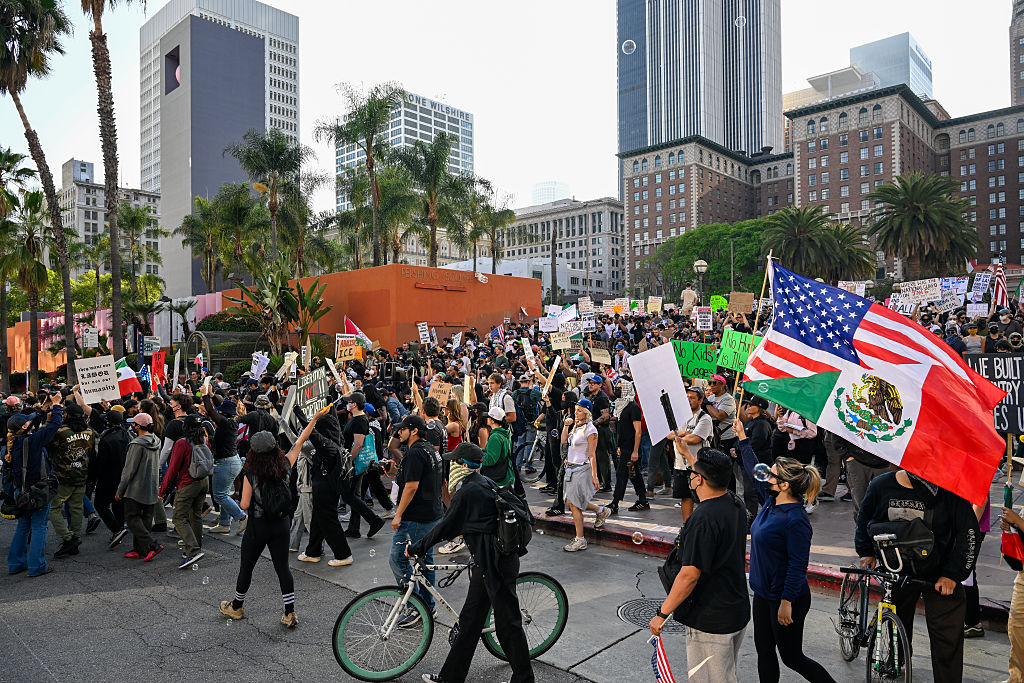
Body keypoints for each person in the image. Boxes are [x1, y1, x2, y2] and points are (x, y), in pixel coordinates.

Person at [411, 442, 534, 683]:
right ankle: (451, 677)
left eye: (454, 461)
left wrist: (417, 547)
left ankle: (524, 679)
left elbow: (445, 527)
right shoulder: (478, 483)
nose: (450, 465)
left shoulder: (468, 491)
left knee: (508, 624)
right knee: (470, 622)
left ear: (463, 465)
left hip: (496, 565)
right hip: (486, 564)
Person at [855, 469, 980, 683]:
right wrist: (866, 551)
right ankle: (897, 659)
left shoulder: (950, 491)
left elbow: (969, 534)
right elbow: (864, 519)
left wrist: (952, 575)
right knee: (897, 621)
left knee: (946, 637)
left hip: (940, 573)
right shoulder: (880, 486)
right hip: (897, 569)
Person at [740, 426, 836, 683]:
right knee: (764, 652)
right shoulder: (772, 502)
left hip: (785, 597)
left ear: (784, 485)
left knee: (792, 657)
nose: (766, 477)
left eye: (772, 476)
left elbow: (797, 565)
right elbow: (753, 472)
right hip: (763, 592)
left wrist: (786, 602)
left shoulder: (796, 520)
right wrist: (742, 440)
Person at [649, 448, 750, 683]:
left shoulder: (703, 519)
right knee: (725, 675)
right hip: (735, 609)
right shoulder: (735, 503)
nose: (689, 476)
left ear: (699, 479)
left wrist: (662, 613)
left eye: (692, 472)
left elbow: (689, 576)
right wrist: (688, 452)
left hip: (711, 618)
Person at [220, 408, 326, 628]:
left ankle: (237, 607)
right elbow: (300, 440)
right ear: (275, 448)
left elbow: (245, 505)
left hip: (258, 526)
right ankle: (290, 613)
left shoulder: (251, 473)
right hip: (281, 524)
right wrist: (315, 418)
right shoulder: (286, 464)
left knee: (246, 567)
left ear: (253, 452)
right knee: (282, 568)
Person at [390, 414, 444, 624]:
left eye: (402, 429)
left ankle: (415, 607)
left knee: (397, 558)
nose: (399, 432)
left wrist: (398, 514)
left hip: (416, 517)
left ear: (413, 430)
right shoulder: (430, 449)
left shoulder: (415, 453)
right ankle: (428, 607)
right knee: (425, 561)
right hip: (430, 514)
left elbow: (412, 487)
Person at [6, 400, 64, 577]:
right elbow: (54, 426)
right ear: (25, 427)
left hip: (20, 491)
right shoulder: (33, 442)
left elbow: (37, 424)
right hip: (36, 492)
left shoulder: (15, 443)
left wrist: (44, 409)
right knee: (39, 527)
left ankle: (16, 564)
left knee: (23, 527)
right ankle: (37, 565)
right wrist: (56, 406)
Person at [159, 414, 210, 569]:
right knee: (195, 516)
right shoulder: (202, 440)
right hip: (203, 481)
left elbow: (172, 469)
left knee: (179, 517)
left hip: (187, 483)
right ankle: (195, 548)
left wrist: (162, 490)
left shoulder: (182, 443)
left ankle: (193, 551)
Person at [561, 399, 610, 552]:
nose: (576, 413)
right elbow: (563, 441)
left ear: (587, 412)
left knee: (575, 504)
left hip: (581, 468)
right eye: (576, 410)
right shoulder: (576, 427)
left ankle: (580, 539)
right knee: (570, 501)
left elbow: (592, 455)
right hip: (570, 468)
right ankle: (600, 510)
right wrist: (566, 426)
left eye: (580, 410)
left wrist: (595, 477)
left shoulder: (591, 429)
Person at [48, 402, 96, 558]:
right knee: (76, 508)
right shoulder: (89, 432)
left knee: (53, 508)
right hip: (82, 475)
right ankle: (75, 538)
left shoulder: (61, 431)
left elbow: (51, 449)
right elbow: (92, 454)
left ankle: (68, 538)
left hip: (63, 476)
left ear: (67, 415)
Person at [115, 412, 164, 562]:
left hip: (135, 488)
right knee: (145, 520)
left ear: (137, 426)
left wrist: (120, 490)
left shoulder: (136, 444)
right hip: (151, 485)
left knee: (132, 518)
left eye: (134, 424)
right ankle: (140, 549)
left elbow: (129, 470)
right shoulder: (156, 440)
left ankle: (151, 545)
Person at [200, 384, 247, 536]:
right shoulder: (231, 421)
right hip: (233, 461)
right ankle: (224, 524)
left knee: (220, 495)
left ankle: (241, 516)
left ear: (223, 414)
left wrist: (205, 396)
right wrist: (212, 395)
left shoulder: (225, 423)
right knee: (225, 493)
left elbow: (211, 411)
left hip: (225, 462)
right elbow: (220, 407)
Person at [340, 392, 385, 539]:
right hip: (356, 462)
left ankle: (373, 519)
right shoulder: (358, 418)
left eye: (349, 402)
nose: (347, 404)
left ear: (354, 404)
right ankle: (354, 528)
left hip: (354, 463)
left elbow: (358, 444)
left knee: (348, 496)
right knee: (354, 495)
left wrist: (349, 461)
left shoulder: (359, 420)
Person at [671, 386, 714, 522]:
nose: (688, 400)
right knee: (685, 497)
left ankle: (703, 527)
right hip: (680, 465)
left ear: (700, 400)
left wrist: (677, 437)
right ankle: (686, 527)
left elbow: (695, 438)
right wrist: (683, 433)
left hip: (698, 466)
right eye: (687, 397)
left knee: (703, 499)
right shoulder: (679, 416)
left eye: (692, 398)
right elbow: (667, 434)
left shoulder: (705, 418)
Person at [91, 408, 131, 549]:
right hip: (122, 475)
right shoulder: (125, 434)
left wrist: (95, 476)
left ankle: (117, 530)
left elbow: (101, 463)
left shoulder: (106, 440)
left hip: (108, 477)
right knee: (117, 503)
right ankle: (120, 527)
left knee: (100, 505)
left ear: (108, 422)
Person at [609, 379, 647, 514]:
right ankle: (643, 500)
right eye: (617, 388)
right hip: (623, 446)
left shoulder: (633, 407)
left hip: (630, 447)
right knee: (634, 474)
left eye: (620, 388)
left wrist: (635, 451)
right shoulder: (621, 405)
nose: (617, 390)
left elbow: (637, 431)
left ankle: (615, 502)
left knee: (621, 475)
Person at [480, 407, 514, 487]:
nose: (487, 419)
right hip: (506, 475)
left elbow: (490, 460)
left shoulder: (495, 437)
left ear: (492, 420)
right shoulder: (505, 433)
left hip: (499, 480)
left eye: (488, 417)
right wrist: (481, 450)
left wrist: (479, 456)